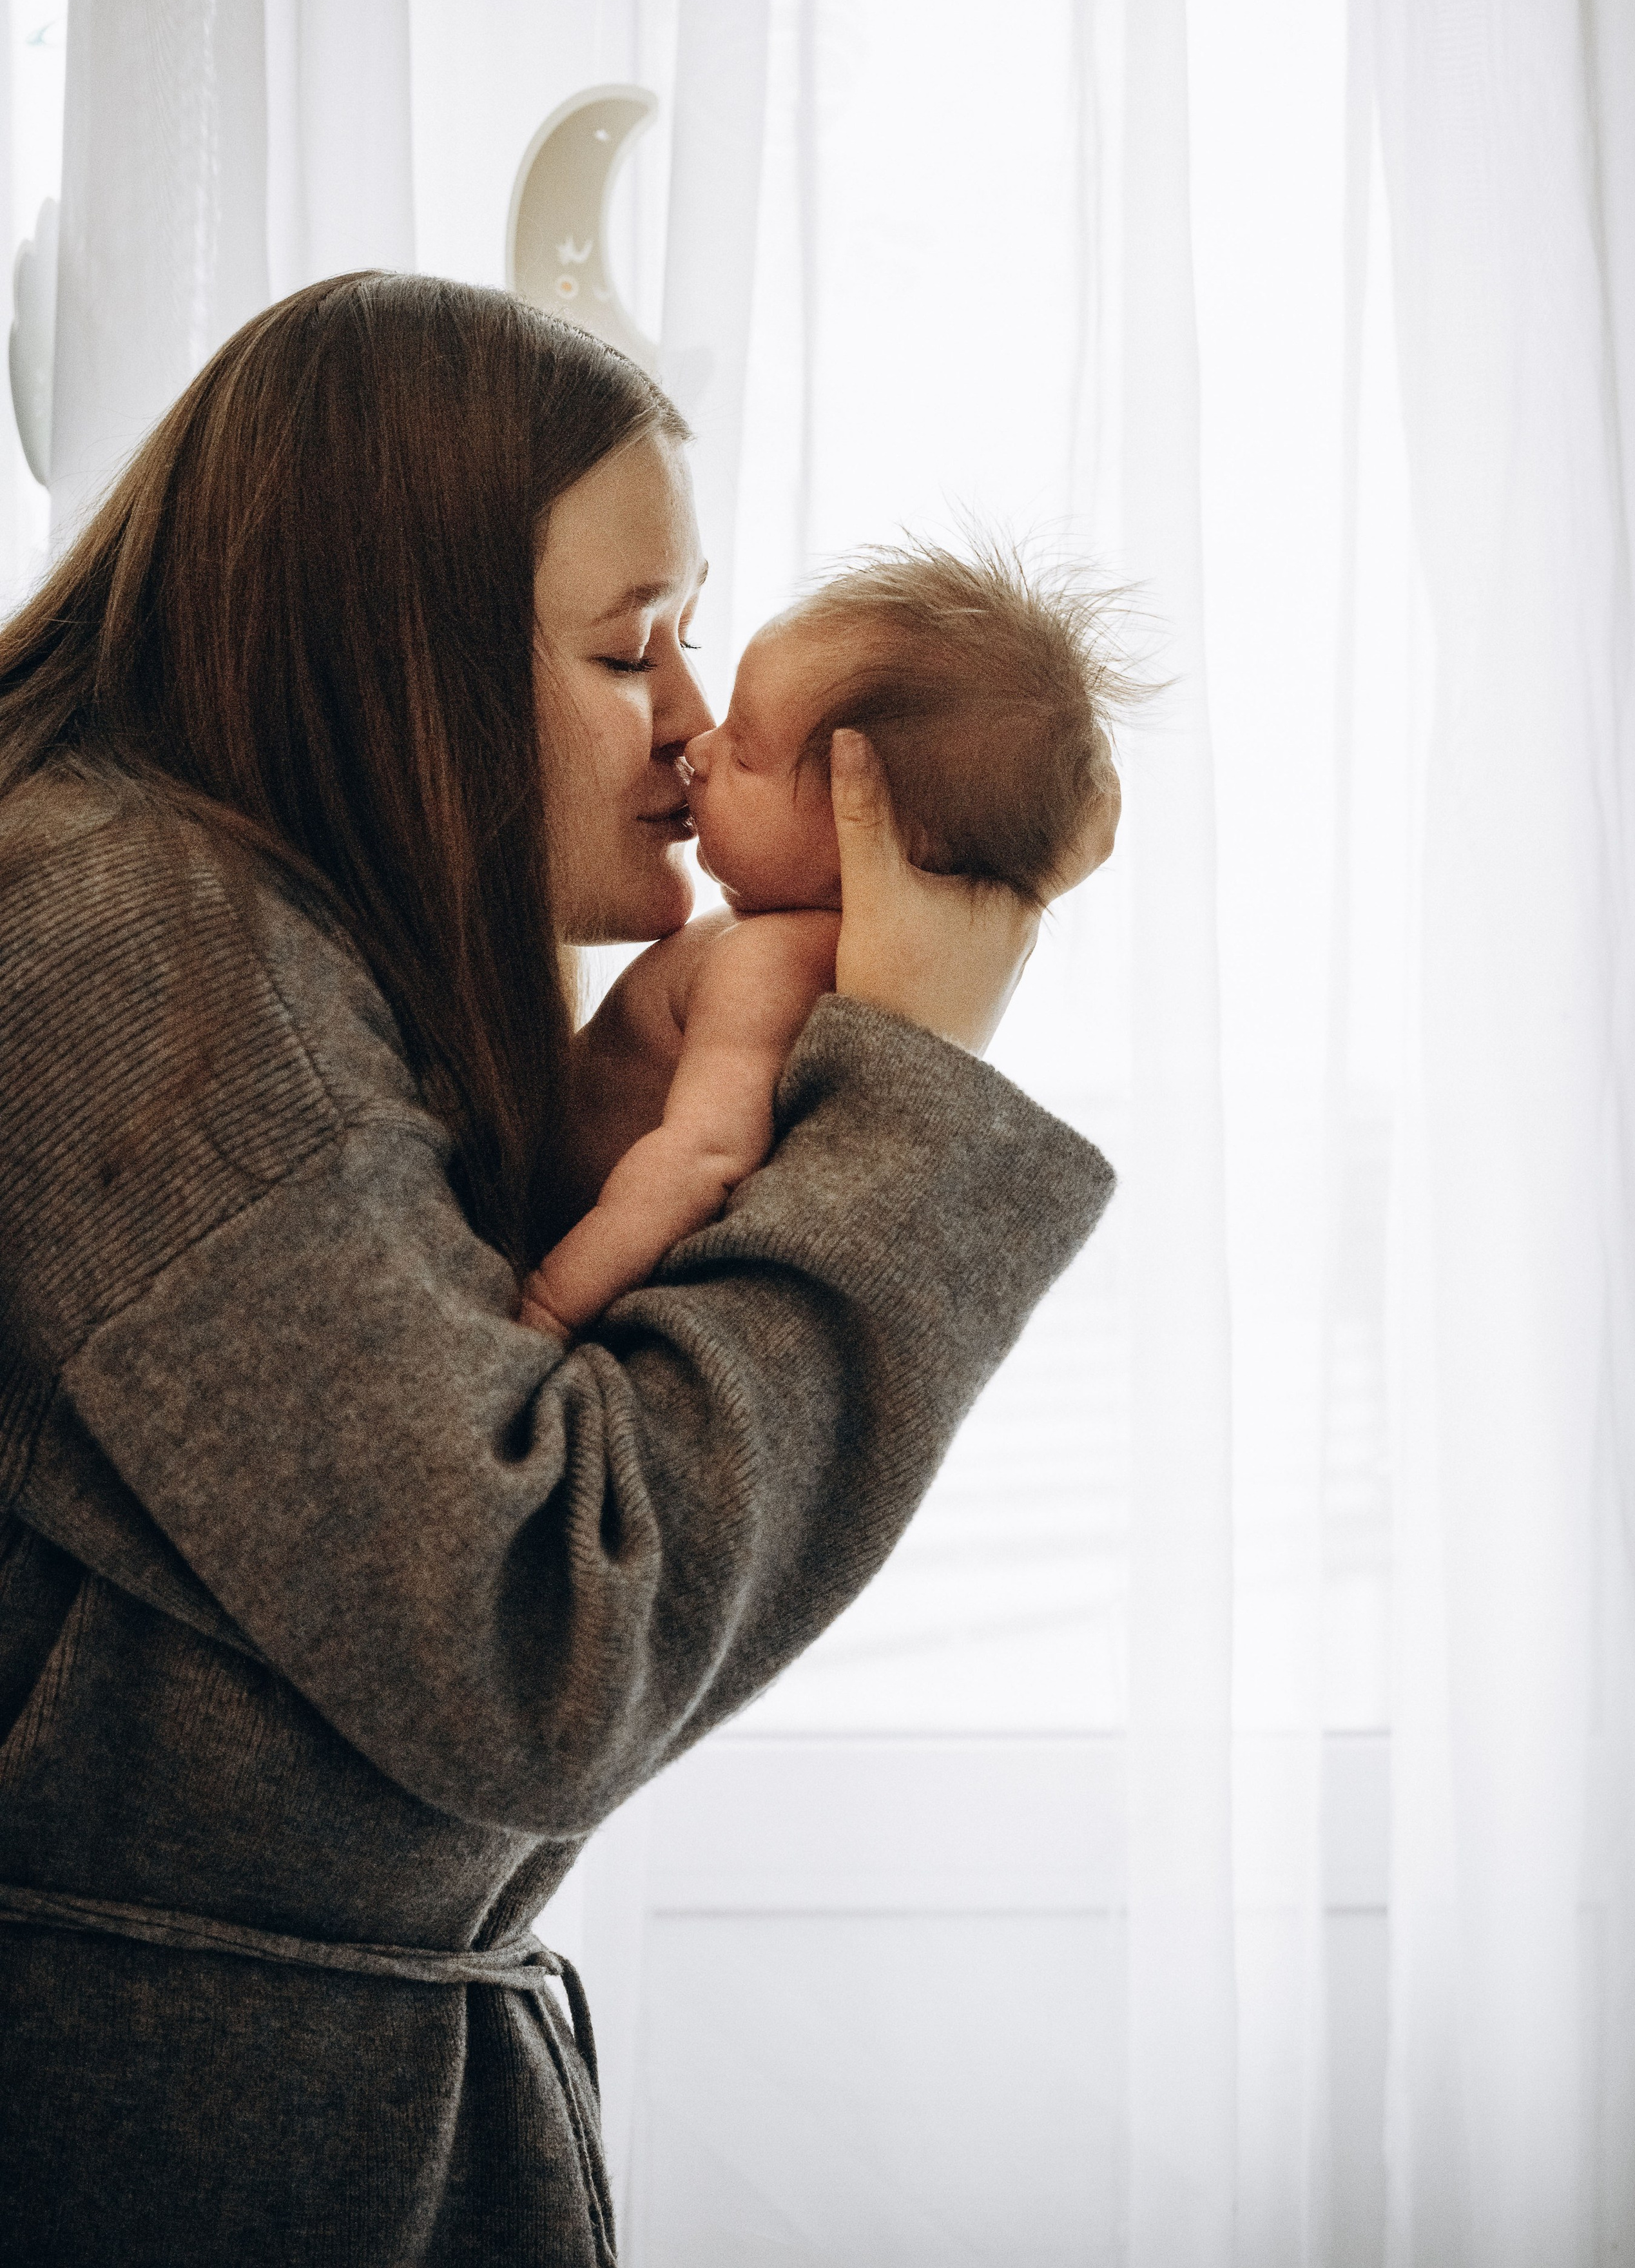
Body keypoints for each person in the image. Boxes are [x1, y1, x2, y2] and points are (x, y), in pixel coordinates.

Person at [0, 271, 1116, 2266]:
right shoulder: (125, 939)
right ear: (387, 649)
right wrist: (916, 1098)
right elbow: (531, 1631)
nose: (693, 721)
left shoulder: (242, 945)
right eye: (633, 645)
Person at [521, 540, 1127, 1337]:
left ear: (860, 821)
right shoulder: (774, 946)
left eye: (744, 751)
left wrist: (550, 1301)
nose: (700, 748)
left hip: (583, 1258)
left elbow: (702, 1160)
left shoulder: (771, 965)